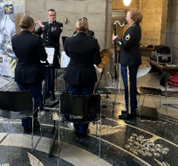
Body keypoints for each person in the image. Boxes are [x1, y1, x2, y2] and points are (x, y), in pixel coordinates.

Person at [64, 17, 101, 137]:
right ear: (87, 29)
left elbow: (68, 54)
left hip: (73, 74)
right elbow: (97, 60)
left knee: (75, 102)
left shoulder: (68, 41)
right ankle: (83, 129)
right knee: (86, 102)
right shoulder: (93, 42)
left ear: (76, 28)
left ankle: (76, 128)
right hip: (87, 75)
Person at [11, 16, 47, 132]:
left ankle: (25, 124)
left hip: (20, 72)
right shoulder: (36, 39)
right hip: (34, 73)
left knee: (23, 99)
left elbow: (17, 54)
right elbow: (43, 57)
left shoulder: (15, 39)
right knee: (35, 98)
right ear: (32, 25)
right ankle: (33, 123)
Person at [112, 8, 143, 119]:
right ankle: (131, 108)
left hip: (129, 61)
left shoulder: (133, 29)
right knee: (129, 86)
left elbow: (125, 44)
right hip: (130, 59)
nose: (126, 18)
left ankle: (130, 112)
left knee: (129, 87)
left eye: (127, 15)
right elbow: (128, 45)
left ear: (133, 18)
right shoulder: (133, 28)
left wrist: (116, 40)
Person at [35, 8, 63, 100]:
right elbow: (37, 33)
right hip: (45, 52)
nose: (52, 17)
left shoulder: (59, 25)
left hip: (53, 52)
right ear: (48, 16)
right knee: (45, 72)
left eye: (53, 15)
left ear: (55, 15)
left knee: (52, 73)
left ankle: (52, 92)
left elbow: (54, 34)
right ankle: (46, 91)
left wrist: (43, 27)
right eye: (50, 15)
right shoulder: (45, 24)